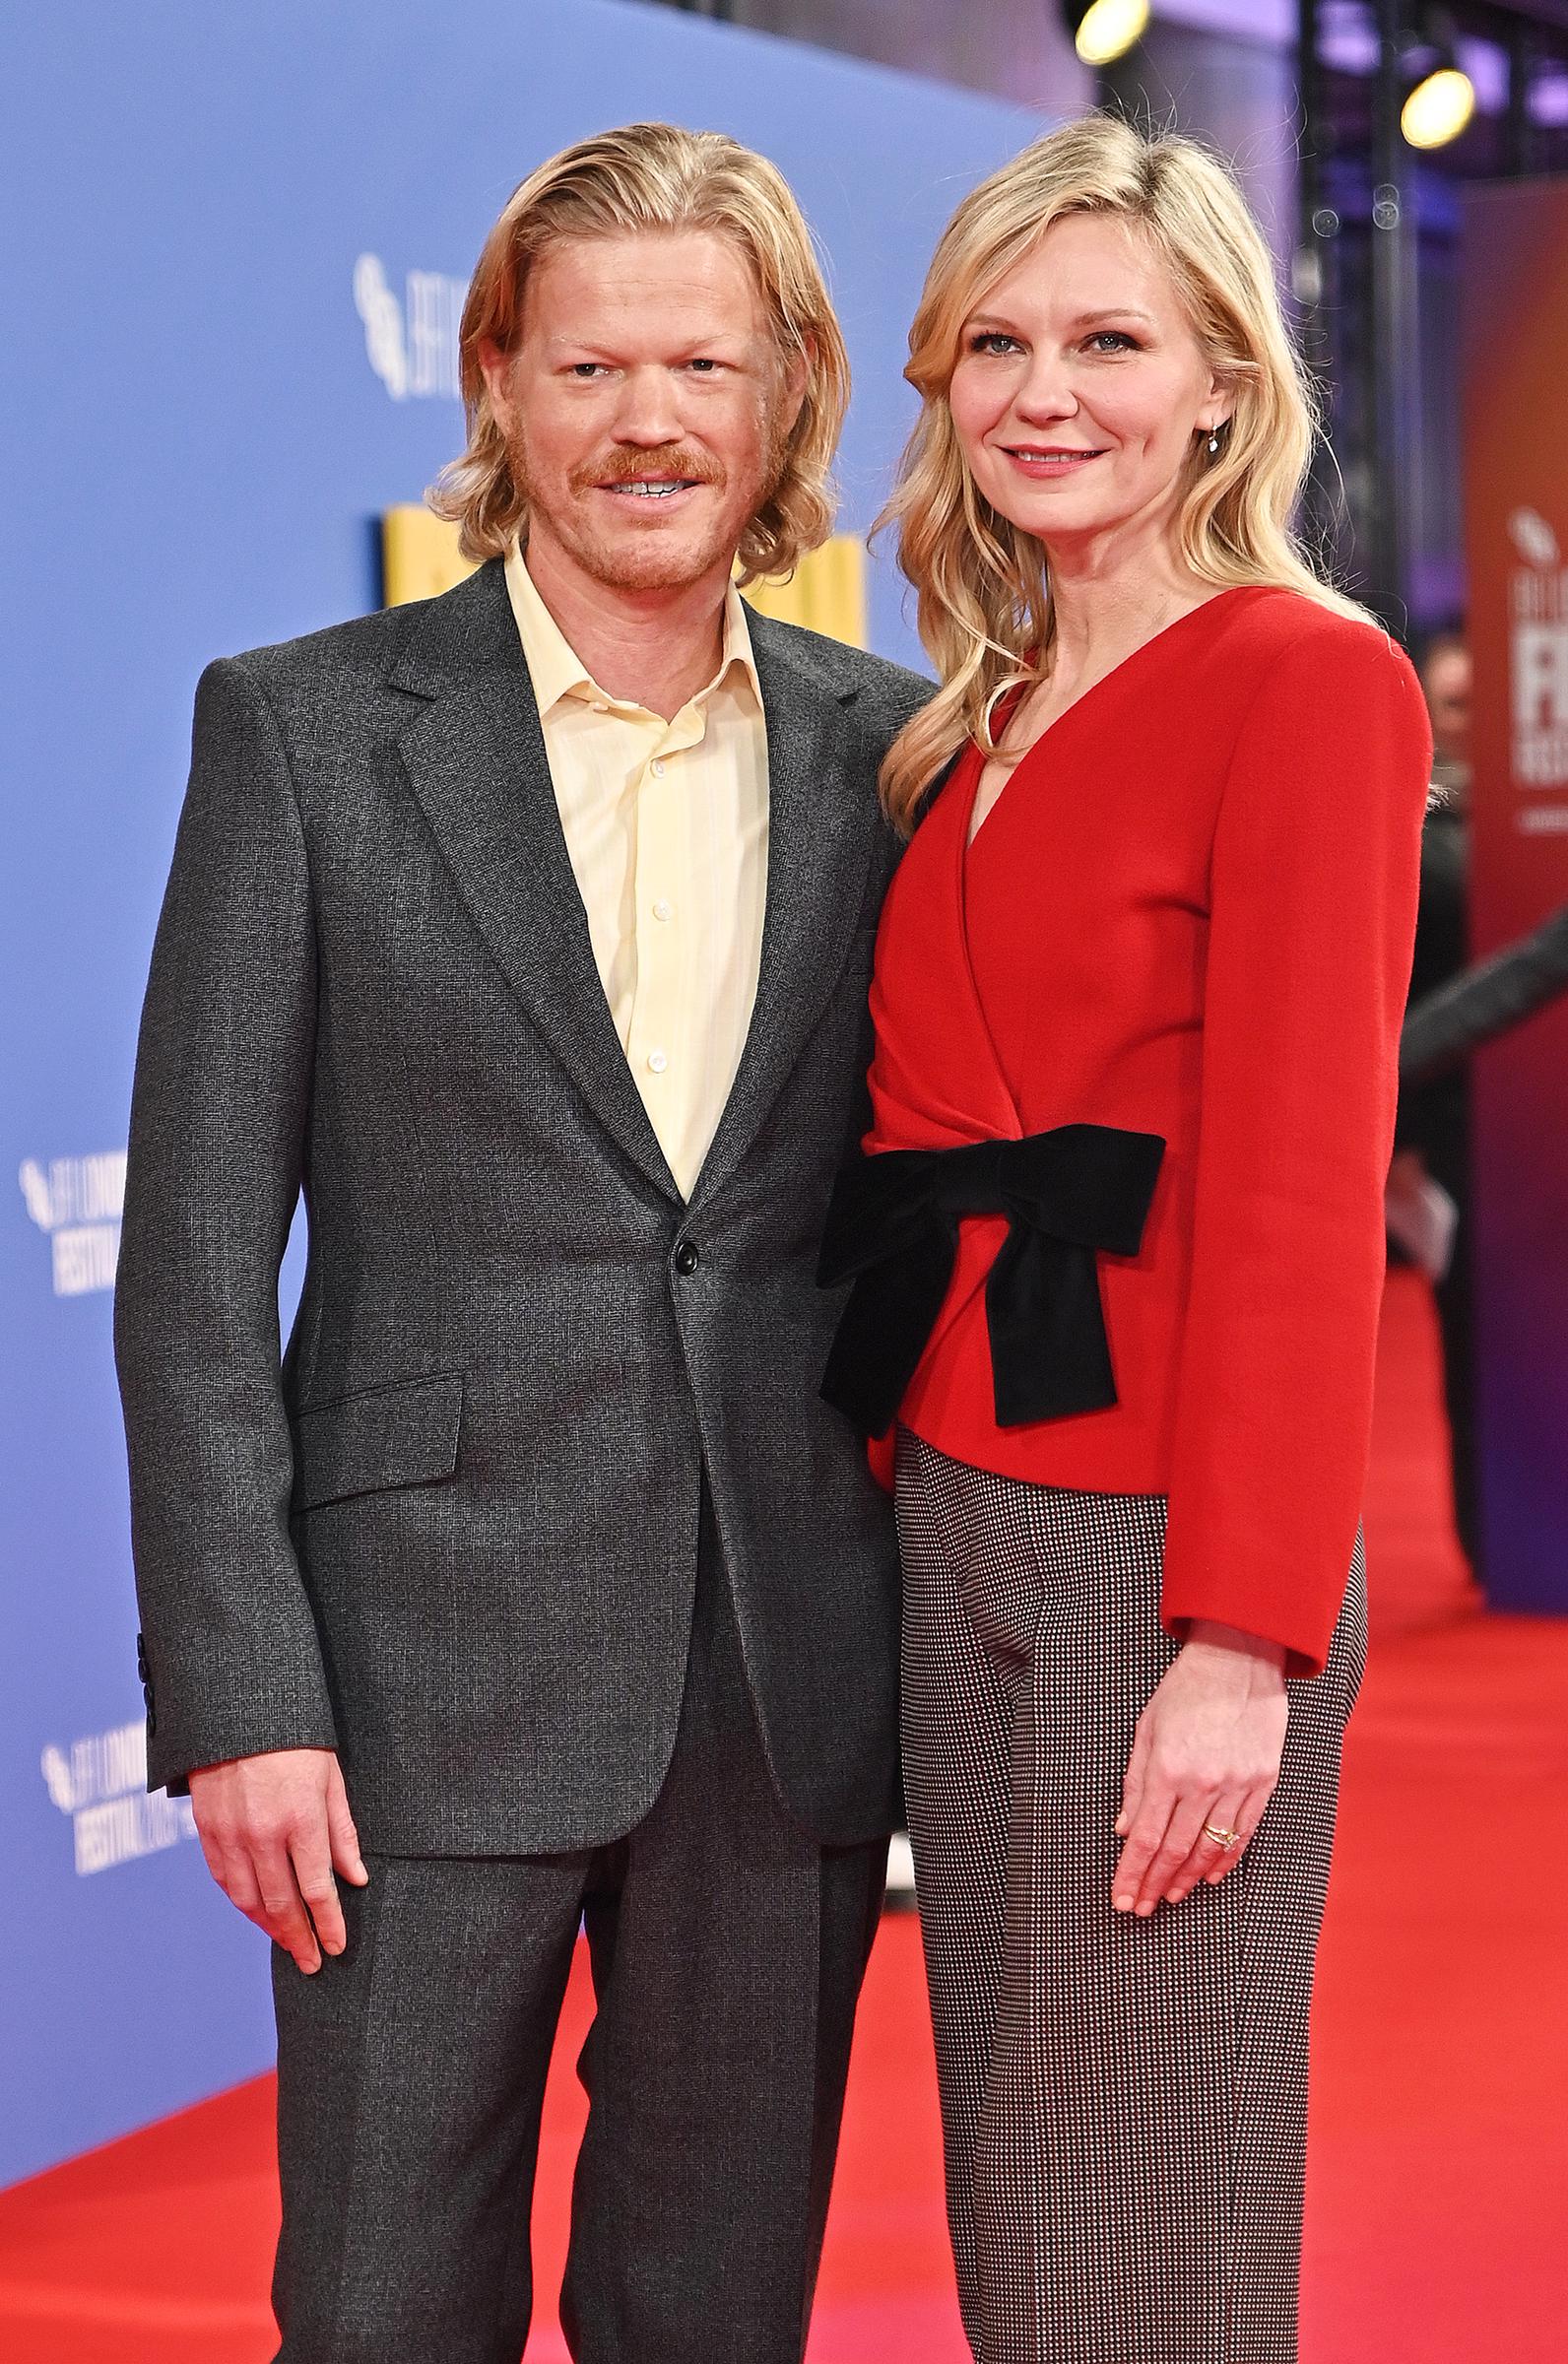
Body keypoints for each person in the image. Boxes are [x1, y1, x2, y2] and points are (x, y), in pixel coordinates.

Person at [114, 122, 929, 2364]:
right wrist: (245, 1699)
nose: (646, 422)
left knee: (714, 2309)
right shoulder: (299, 728)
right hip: (404, 1690)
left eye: (698, 365)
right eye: (587, 369)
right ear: (496, 381)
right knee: (381, 2304)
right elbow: (191, 1259)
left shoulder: (894, 752)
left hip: (778, 1676)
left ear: (785, 396)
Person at [816, 116, 1431, 2362]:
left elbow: (1292, 1173)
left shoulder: (1303, 675)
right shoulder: (973, 709)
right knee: (1019, 2156)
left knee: (1144, 2180)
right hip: (961, 1488)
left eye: (1103, 338)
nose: (1040, 389)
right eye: (994, 340)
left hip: (1160, 1535)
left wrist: (1242, 1631)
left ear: (1217, 386)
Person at [1391, 626, 1478, 1564]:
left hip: (1527, 1107)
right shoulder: (1410, 827)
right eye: (1453, 706)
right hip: (1444, 1120)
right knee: (1473, 1324)